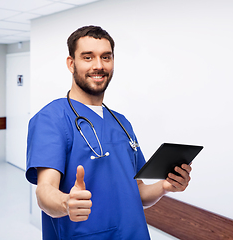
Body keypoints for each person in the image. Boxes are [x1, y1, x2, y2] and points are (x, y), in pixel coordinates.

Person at [26, 25, 192, 240]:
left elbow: (138, 193)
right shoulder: (52, 118)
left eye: (106, 57)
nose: (98, 65)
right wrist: (66, 203)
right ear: (71, 63)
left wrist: (165, 186)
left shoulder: (121, 122)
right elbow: (45, 191)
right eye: (88, 57)